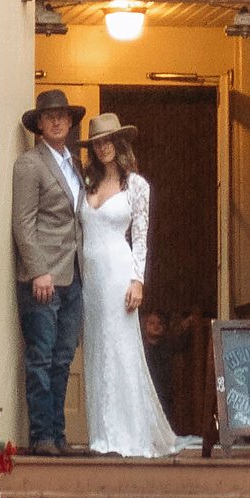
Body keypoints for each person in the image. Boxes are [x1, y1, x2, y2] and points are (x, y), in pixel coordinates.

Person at [78, 114, 200, 459]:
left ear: (120, 144)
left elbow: (141, 237)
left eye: (108, 141)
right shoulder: (86, 184)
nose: (103, 148)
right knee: (98, 352)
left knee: (121, 350)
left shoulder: (136, 185)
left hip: (119, 271)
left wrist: (137, 280)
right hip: (91, 276)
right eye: (97, 143)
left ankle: (126, 433)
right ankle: (100, 433)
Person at [12, 90, 86, 451]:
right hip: (42, 279)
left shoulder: (76, 165)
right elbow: (23, 224)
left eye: (62, 115)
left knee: (62, 359)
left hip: (74, 277)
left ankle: (58, 433)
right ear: (39, 124)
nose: (56, 121)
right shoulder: (29, 164)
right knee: (41, 358)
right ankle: (42, 435)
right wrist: (38, 270)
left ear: (70, 122)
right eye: (49, 116)